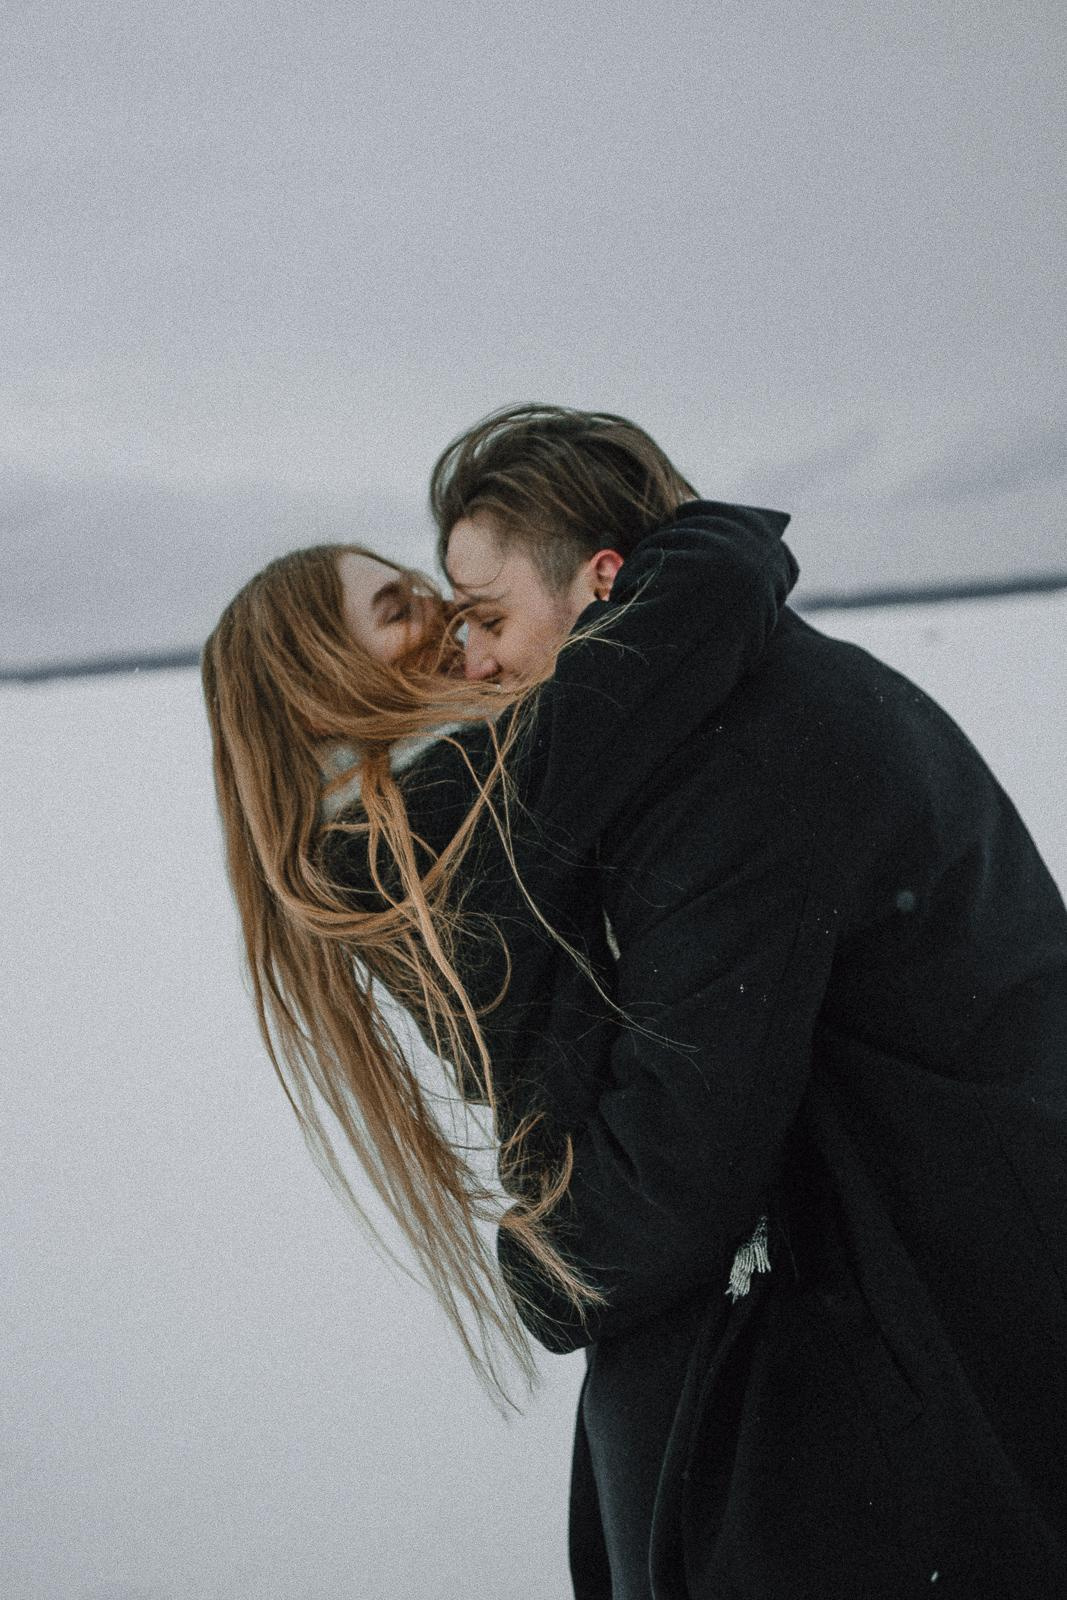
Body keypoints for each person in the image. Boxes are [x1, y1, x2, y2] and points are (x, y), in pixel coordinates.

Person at [203, 403, 1067, 1599]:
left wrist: (541, 1267)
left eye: (474, 611)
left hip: (930, 1331)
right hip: (869, 1333)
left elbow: (662, 1170)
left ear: (602, 583)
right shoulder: (534, 823)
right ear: (316, 690)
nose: (464, 645)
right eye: (417, 612)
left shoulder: (732, 753)